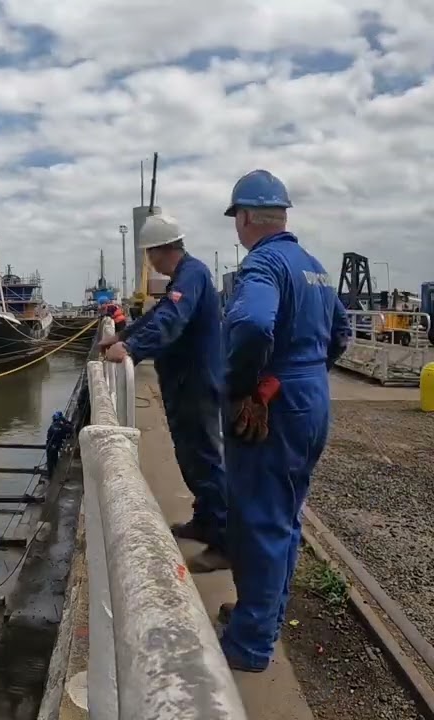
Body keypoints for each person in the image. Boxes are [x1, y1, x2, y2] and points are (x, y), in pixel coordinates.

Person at [217, 170, 350, 673]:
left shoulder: (264, 264)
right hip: (310, 399)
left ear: (246, 217)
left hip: (275, 403)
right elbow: (339, 333)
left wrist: (244, 386)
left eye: (237, 219)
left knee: (259, 521)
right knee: (286, 518)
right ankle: (261, 617)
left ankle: (250, 645)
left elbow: (251, 323)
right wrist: (308, 376)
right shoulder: (312, 266)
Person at [97, 213, 228, 572]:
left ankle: (225, 540)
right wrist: (123, 337)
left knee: (204, 458)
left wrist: (134, 351)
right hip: (185, 382)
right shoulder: (183, 277)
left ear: (159, 250)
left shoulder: (193, 275)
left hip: (197, 382)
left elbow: (170, 320)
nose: (149, 261)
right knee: (190, 456)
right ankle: (205, 520)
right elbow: (156, 317)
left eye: (150, 254)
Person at [45, 410, 72, 477]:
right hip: (57, 446)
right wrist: (65, 421)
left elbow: (48, 436)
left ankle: (50, 476)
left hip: (50, 446)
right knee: (55, 460)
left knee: (49, 462)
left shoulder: (51, 427)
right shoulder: (62, 427)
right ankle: (55, 473)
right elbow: (70, 429)